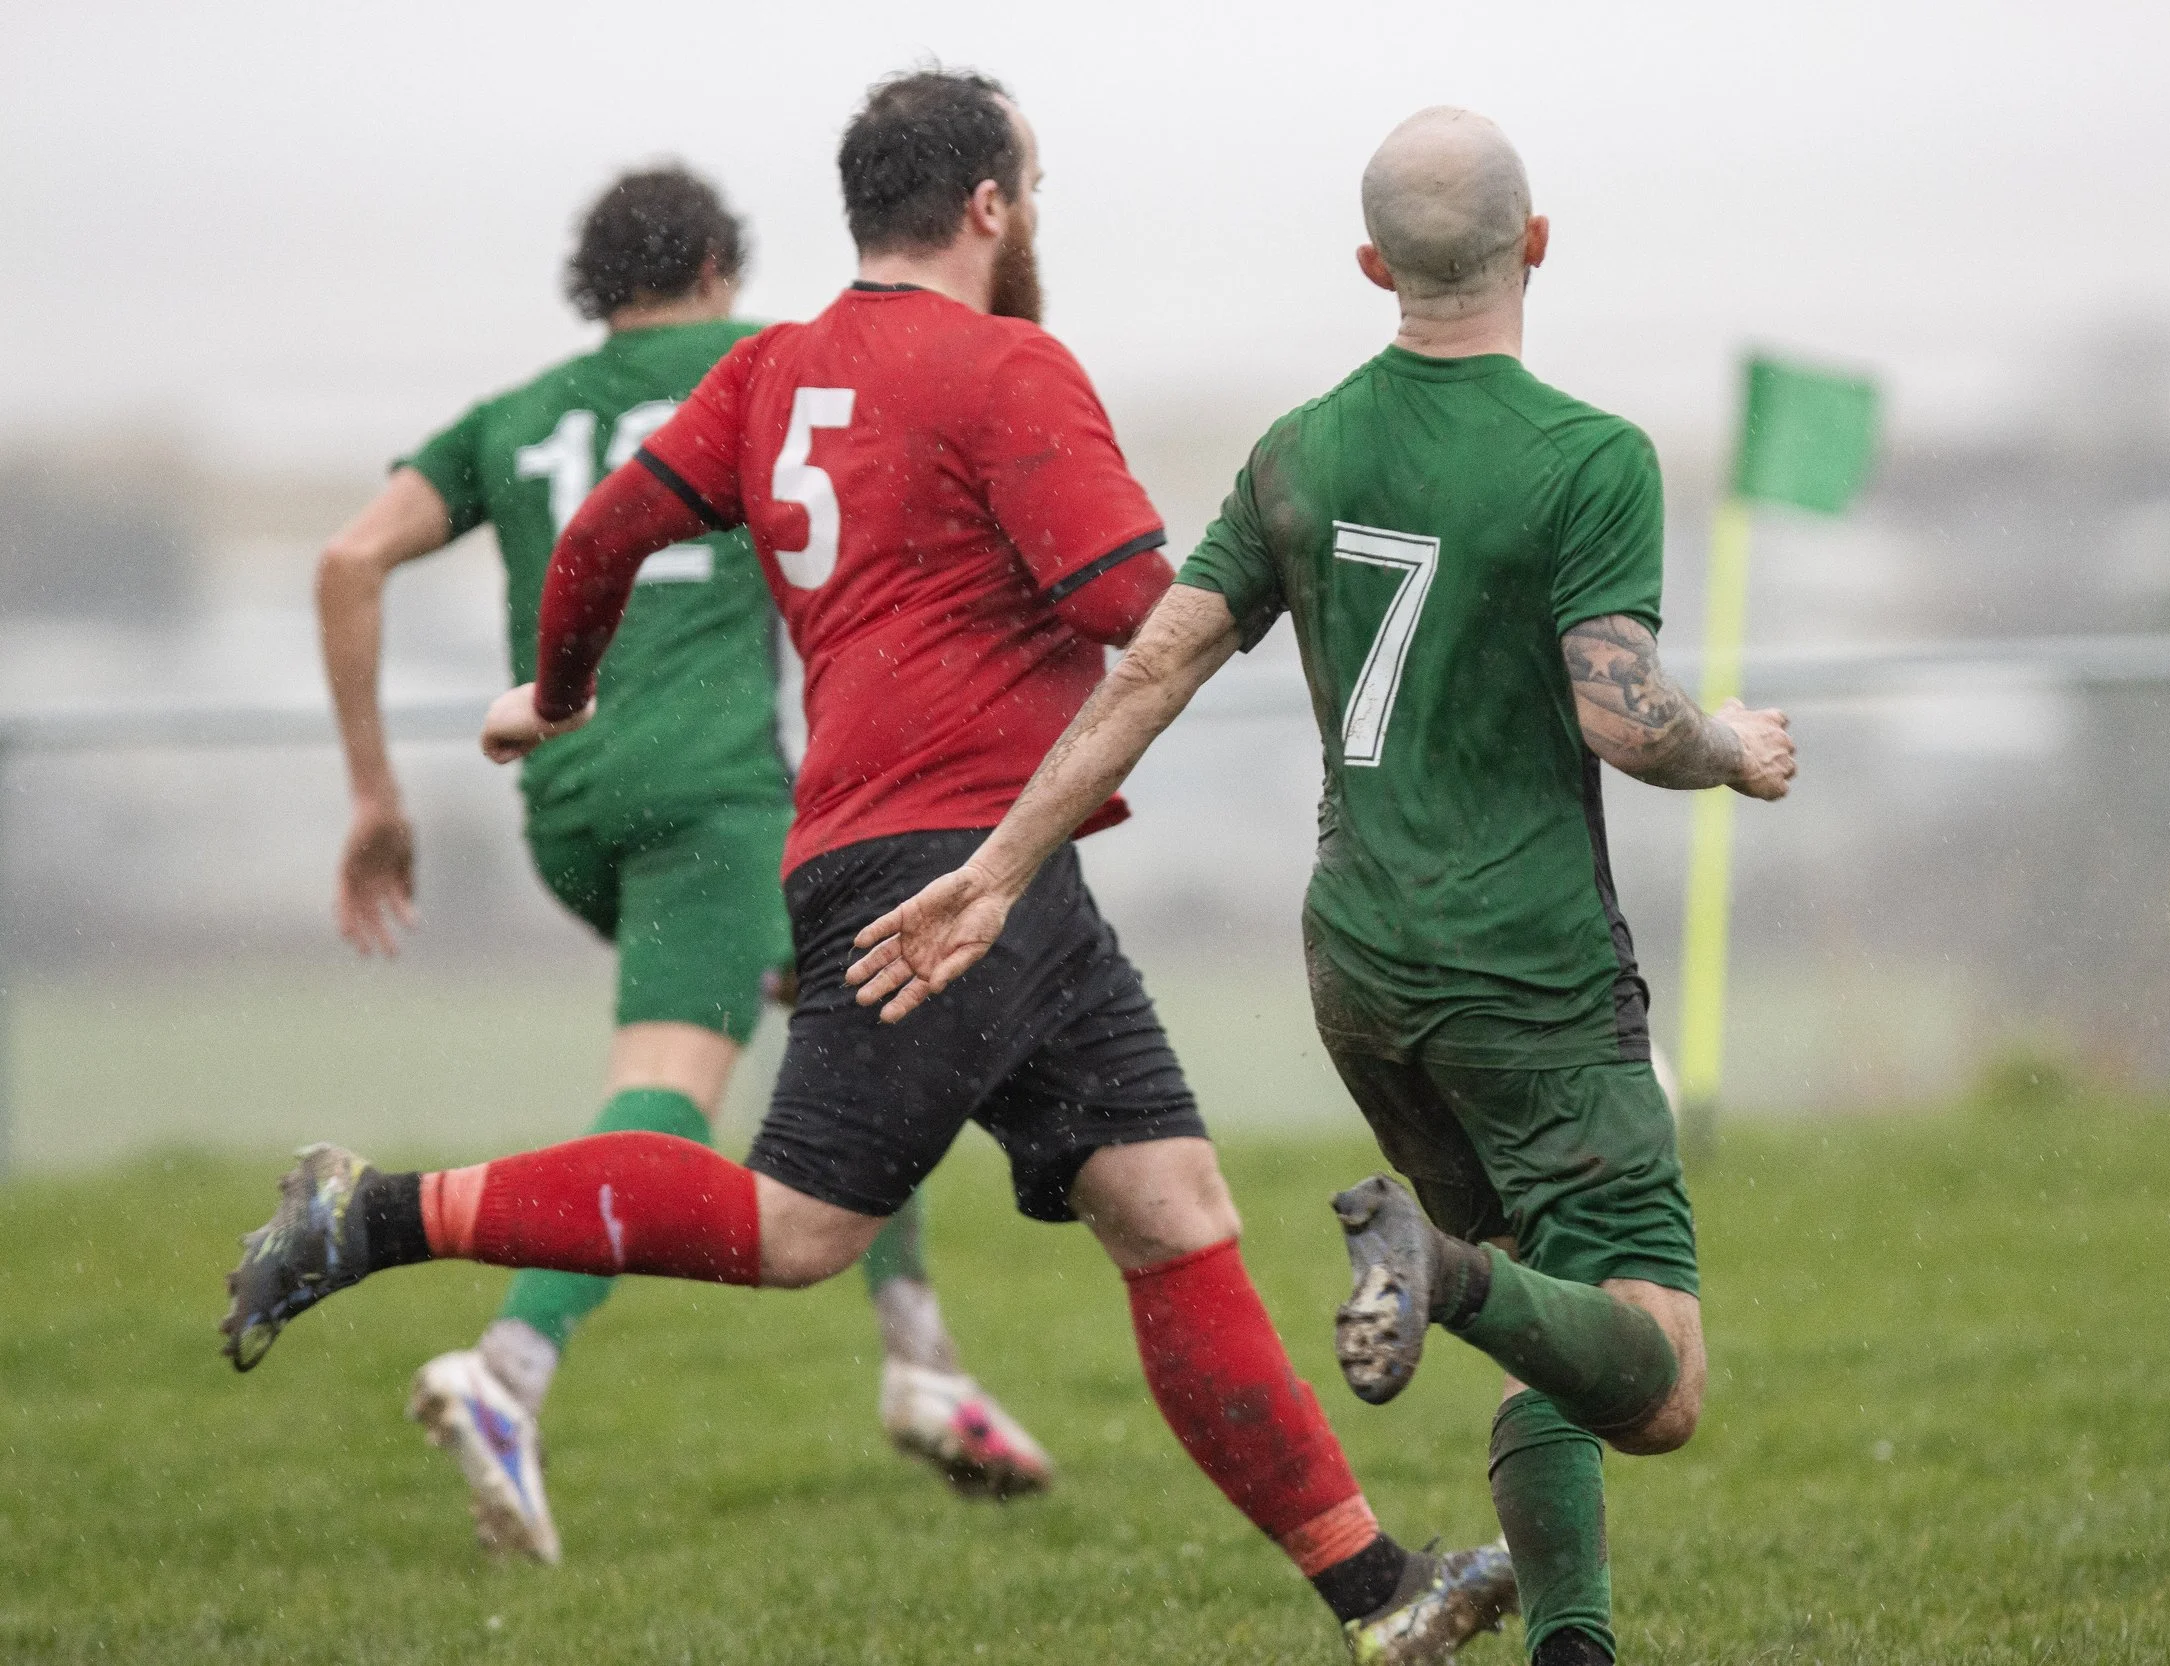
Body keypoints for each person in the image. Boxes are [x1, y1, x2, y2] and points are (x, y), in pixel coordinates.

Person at [232, 71, 1513, 1665]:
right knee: (794, 1228)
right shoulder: (1008, 368)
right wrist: (1355, 599)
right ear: (988, 206)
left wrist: (556, 699)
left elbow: (593, 548)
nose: (1035, 211)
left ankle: (1381, 1594)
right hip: (949, 869)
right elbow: (1138, 610)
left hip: (974, 859)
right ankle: (373, 1215)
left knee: (1171, 1207)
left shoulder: (773, 371)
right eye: (1031, 184)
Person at [844, 107, 1800, 1666]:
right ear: (1536, 241)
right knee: (1662, 1374)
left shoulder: (1303, 447)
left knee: (1540, 1305)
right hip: (1530, 971)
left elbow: (1157, 658)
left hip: (1362, 966)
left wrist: (1000, 866)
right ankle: (1437, 1270)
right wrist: (1735, 749)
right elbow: (1622, 714)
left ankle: (1574, 1641)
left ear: (1375, 266)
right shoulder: (1589, 456)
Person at [308, 164, 1047, 1564]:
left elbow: (348, 560)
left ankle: (921, 1354)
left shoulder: (517, 415)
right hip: (715, 806)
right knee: (676, 1096)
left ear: (600, 288)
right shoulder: (762, 362)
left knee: (872, 1023)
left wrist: (372, 795)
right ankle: (509, 1368)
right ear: (717, 264)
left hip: (568, 805)